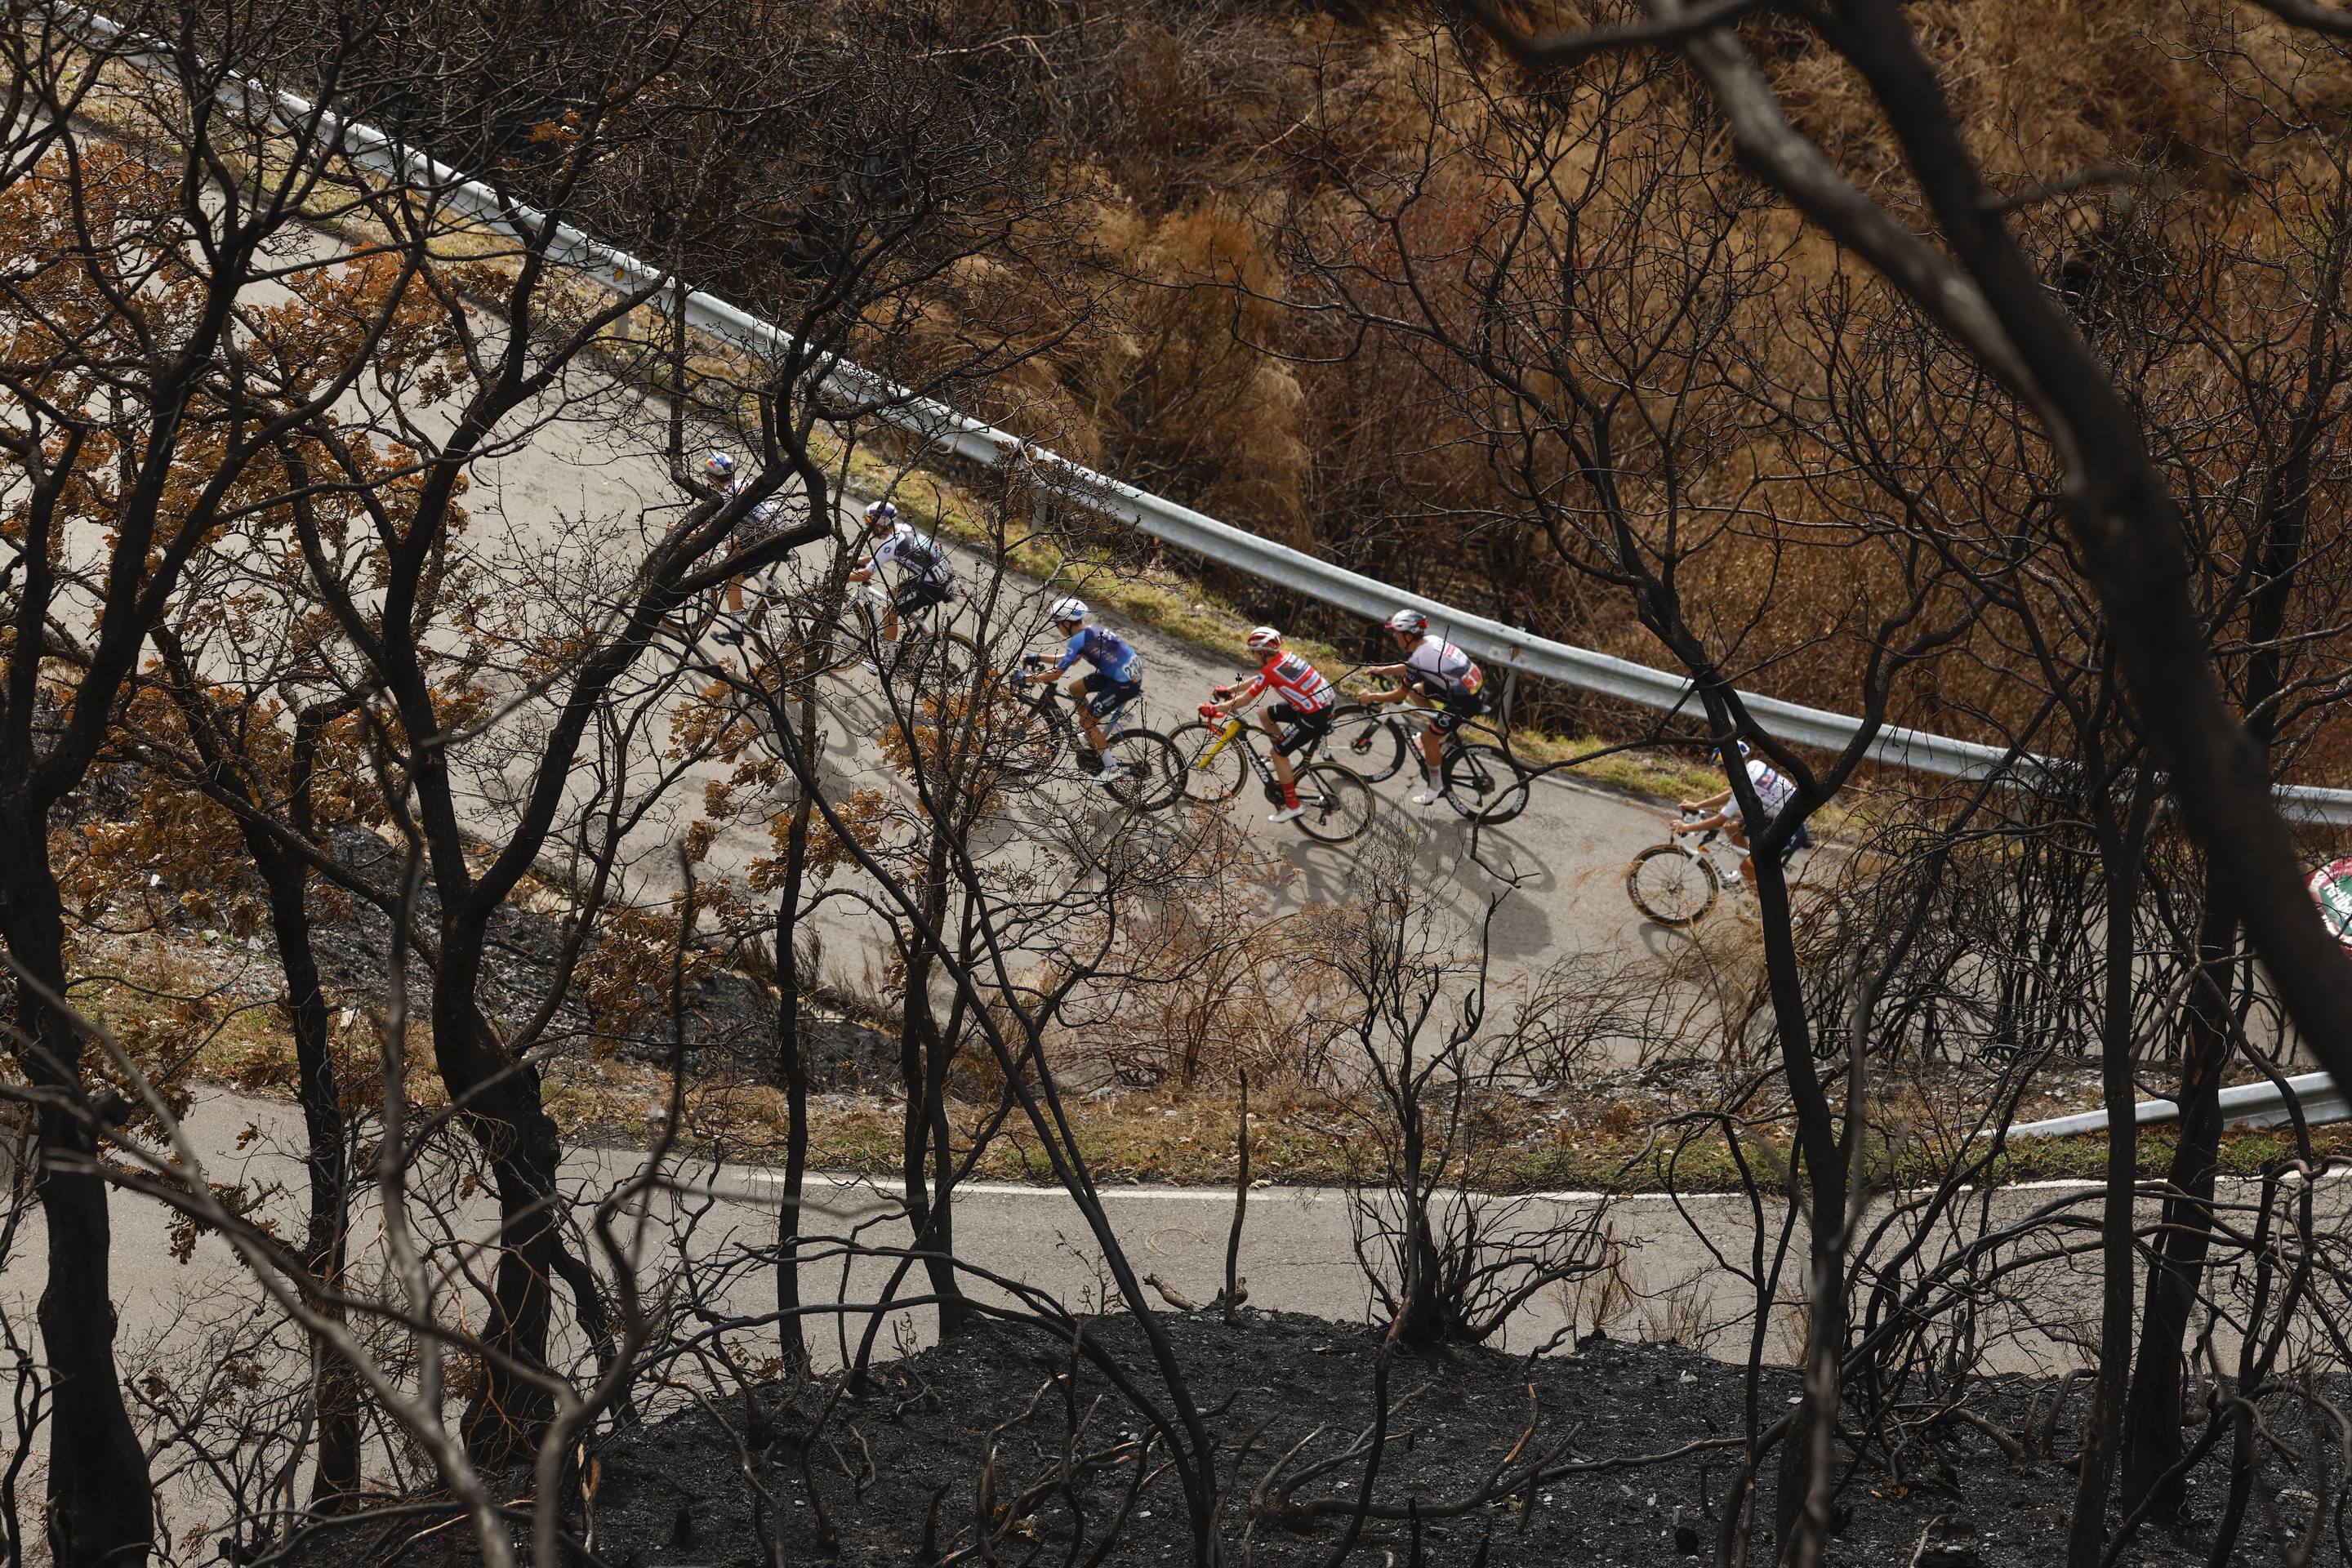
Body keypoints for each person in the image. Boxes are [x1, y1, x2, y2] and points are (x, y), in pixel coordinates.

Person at [1356, 607, 1488, 806]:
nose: (1395, 638)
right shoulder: (1429, 642)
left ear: (1408, 635)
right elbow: (1410, 666)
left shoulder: (1420, 657)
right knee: (1418, 689)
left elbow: (1400, 694)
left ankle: (1436, 788)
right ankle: (1441, 731)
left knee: (1427, 738)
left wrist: (1372, 697)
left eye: (1397, 634)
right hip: (1470, 689)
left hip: (1466, 700)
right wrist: (1383, 669)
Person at [1203, 626, 1335, 823]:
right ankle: (1283, 762)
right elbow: (1261, 678)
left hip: (1316, 715)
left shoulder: (1271, 669)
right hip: (1321, 705)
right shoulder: (1283, 657)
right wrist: (1230, 689)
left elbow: (1245, 700)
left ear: (1263, 652)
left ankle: (1293, 805)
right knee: (1265, 715)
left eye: (1253, 652)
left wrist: (1216, 709)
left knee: (1278, 753)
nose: (1252, 655)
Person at [1015, 596, 1143, 791]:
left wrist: (1027, 678)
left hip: (1123, 683)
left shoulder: (1078, 640)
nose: (1057, 628)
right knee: (1075, 689)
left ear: (1066, 623)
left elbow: (1056, 674)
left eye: (1057, 624)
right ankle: (1091, 729)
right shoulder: (1091, 631)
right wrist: (1038, 657)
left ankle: (1112, 767)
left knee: (1087, 722)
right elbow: (1070, 659)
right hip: (1124, 675)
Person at [1673, 740, 1804, 900]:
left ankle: (1769, 912)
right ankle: (1755, 874)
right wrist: (1698, 804)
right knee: (1732, 829)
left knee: (1746, 869)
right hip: (1782, 818)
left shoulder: (1745, 783)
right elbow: (1732, 794)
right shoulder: (1754, 765)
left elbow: (1719, 821)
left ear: (1728, 766)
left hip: (1793, 830)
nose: (1720, 773)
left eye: (1720, 769)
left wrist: (1686, 827)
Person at [844, 499, 956, 675]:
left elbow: (866, 574)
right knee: (893, 594)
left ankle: (889, 662)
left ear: (880, 523)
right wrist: (857, 560)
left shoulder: (889, 544)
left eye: (870, 522)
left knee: (890, 611)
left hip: (933, 585)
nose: (869, 527)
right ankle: (924, 635)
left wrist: (842, 577)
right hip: (940, 576)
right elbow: (877, 557)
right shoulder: (902, 529)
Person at [701, 451, 787, 648]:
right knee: (732, 547)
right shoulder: (744, 483)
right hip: (778, 528)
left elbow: (707, 531)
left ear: (712, 477)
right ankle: (765, 579)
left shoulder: (724, 498)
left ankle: (736, 633)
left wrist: (681, 531)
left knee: (733, 581)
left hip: (763, 536)